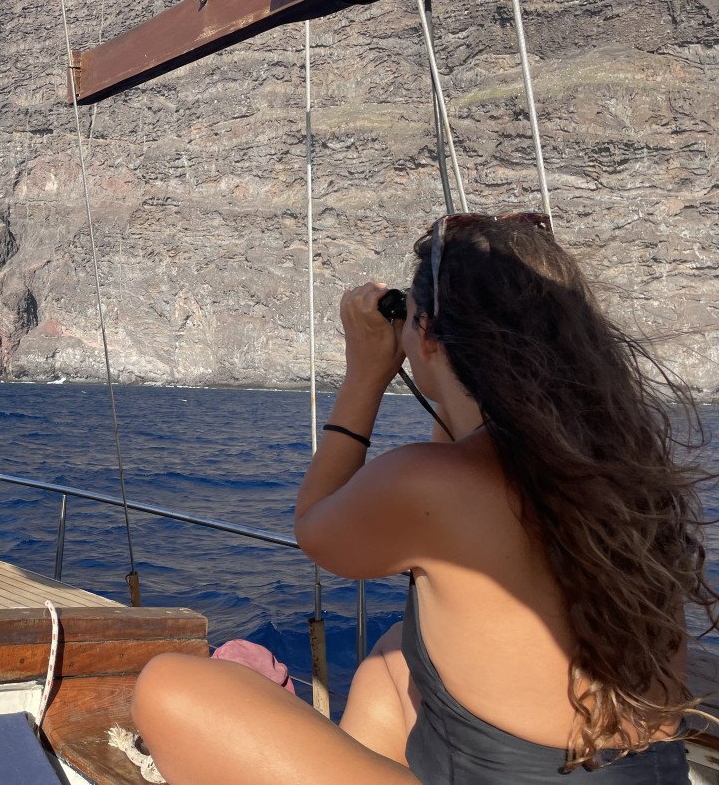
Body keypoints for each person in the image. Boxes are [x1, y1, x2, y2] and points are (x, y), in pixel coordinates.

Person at [132, 214, 715, 783]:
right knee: (392, 661)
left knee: (170, 688)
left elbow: (316, 530)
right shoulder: (618, 468)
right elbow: (474, 431)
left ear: (429, 335)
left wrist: (365, 374)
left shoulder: (432, 480)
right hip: (648, 775)